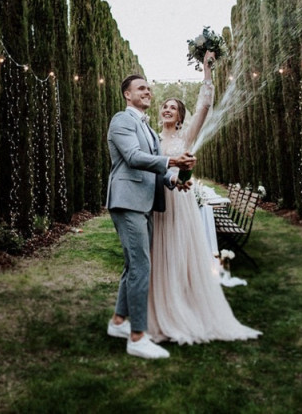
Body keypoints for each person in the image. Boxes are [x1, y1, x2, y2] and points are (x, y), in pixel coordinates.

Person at [147, 50, 262, 344]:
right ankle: (162, 309)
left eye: (173, 107)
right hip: (158, 203)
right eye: (165, 106)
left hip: (180, 202)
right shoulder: (153, 139)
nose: (167, 109)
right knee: (159, 254)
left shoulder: (185, 139)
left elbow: (204, 107)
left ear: (181, 116)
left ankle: (184, 307)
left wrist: (207, 72)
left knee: (180, 251)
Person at [106, 74, 196, 359]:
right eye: (141, 88)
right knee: (142, 266)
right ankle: (137, 337)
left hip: (145, 202)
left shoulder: (148, 129)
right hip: (128, 201)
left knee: (133, 265)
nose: (147, 91)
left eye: (148, 88)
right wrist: (173, 160)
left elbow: (155, 170)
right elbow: (133, 158)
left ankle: (118, 322)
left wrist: (174, 180)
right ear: (127, 95)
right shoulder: (122, 120)